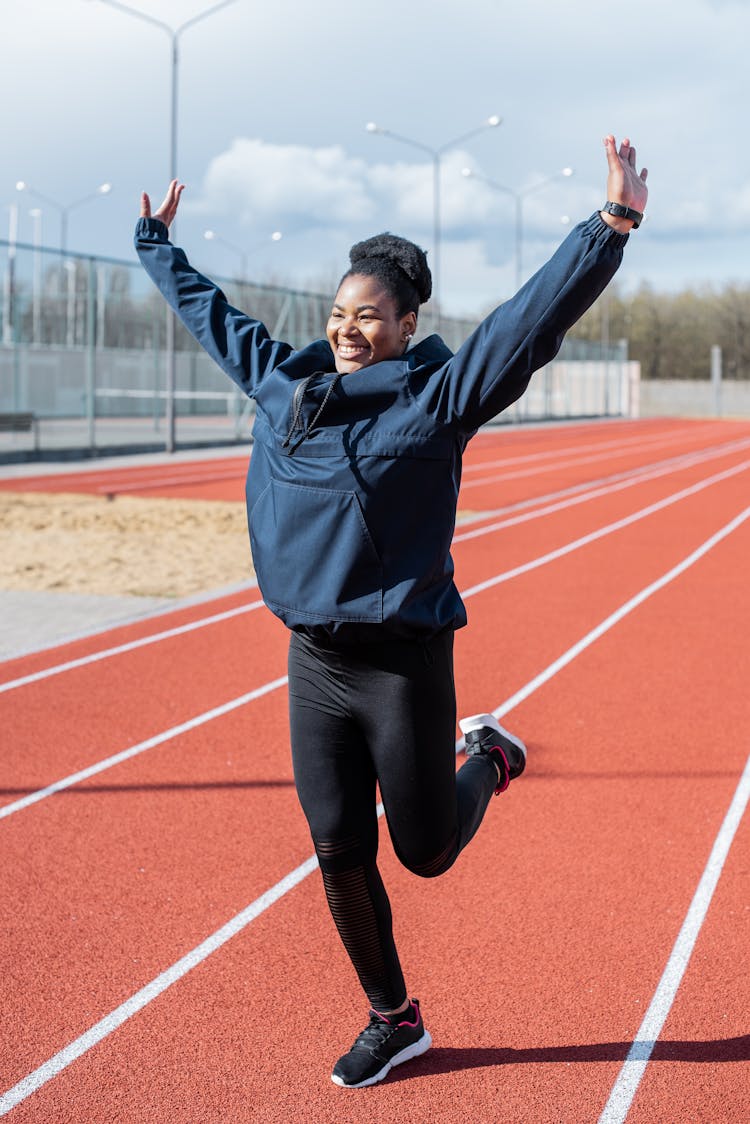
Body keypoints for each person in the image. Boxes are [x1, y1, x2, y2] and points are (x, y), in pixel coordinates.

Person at [135, 134, 648, 1088]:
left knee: (425, 855)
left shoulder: (436, 402)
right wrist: (153, 244)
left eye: (369, 318)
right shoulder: (288, 387)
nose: (347, 330)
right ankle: (394, 1017)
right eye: (339, 314)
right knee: (337, 851)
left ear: (407, 325)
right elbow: (211, 316)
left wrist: (609, 224)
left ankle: (488, 756)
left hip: (402, 664)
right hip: (315, 664)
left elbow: (526, 326)